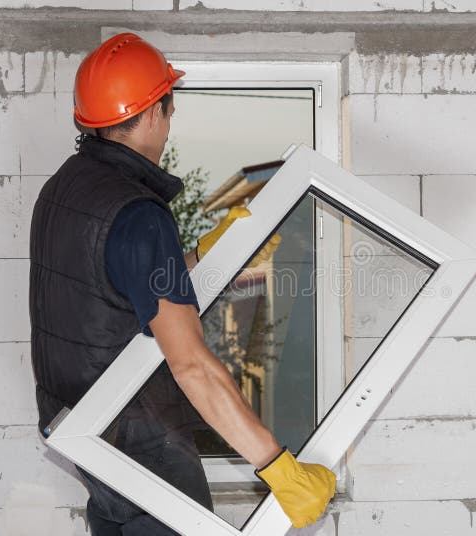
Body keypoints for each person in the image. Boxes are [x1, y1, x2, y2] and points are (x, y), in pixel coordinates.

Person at [29, 32, 335, 535]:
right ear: (153, 111)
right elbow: (190, 363)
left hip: (80, 429)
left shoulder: (62, 190)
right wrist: (279, 467)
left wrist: (199, 255)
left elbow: (113, 295)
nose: (169, 127)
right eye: (170, 111)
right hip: (140, 441)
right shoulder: (138, 215)